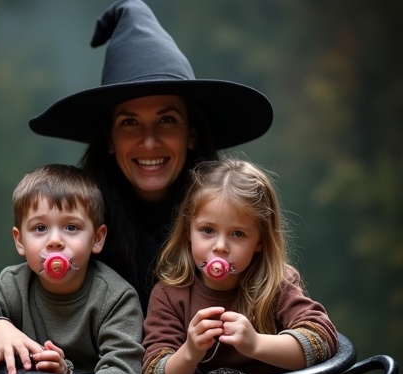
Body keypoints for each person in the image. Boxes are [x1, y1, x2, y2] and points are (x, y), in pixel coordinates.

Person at [29, 0, 274, 314]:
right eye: (129, 123)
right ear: (109, 139)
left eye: (167, 120)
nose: (148, 142)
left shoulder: (235, 215)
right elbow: (22, 302)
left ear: (192, 134)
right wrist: (1, 328)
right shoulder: (72, 225)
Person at [141, 157, 339, 374]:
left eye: (237, 234)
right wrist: (190, 352)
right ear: (188, 231)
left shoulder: (277, 283)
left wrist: (256, 344)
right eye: (207, 230)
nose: (220, 247)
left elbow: (322, 339)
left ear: (260, 241)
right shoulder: (169, 294)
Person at [0, 164, 145, 374]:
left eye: (71, 227)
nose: (54, 241)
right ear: (20, 241)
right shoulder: (13, 285)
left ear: (97, 238)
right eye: (40, 228)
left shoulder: (117, 298)